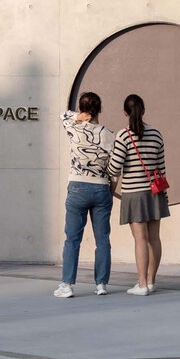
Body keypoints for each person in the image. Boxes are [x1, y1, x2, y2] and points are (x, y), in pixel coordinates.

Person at [107, 94, 170, 296]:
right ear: (143, 110)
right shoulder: (156, 134)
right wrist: (164, 195)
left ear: (125, 113)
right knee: (154, 239)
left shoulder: (123, 136)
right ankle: (151, 281)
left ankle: (141, 284)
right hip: (155, 192)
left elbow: (114, 168)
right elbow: (161, 168)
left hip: (134, 194)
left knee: (140, 240)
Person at [55, 91, 115, 299]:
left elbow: (62, 115)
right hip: (101, 188)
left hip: (78, 187)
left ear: (81, 109)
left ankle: (67, 285)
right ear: (99, 109)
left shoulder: (74, 127)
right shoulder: (108, 133)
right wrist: (110, 191)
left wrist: (79, 116)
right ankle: (101, 284)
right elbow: (114, 168)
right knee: (103, 239)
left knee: (72, 239)